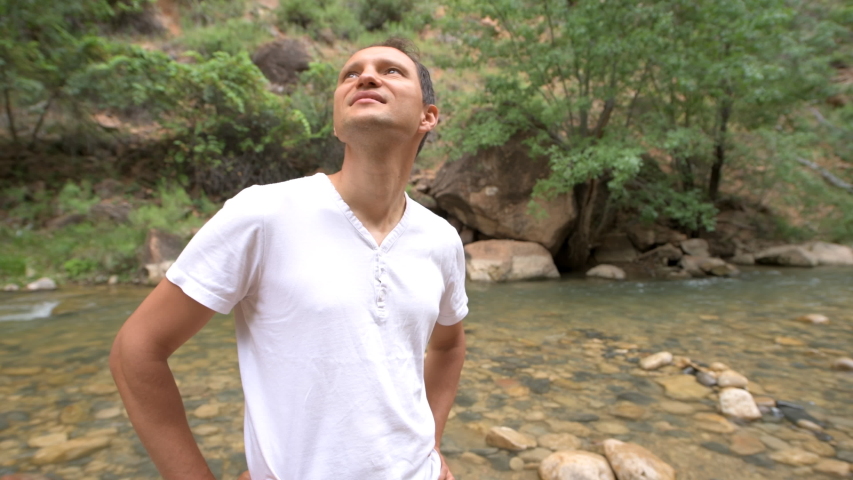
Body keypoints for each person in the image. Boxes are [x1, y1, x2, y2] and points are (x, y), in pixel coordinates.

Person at [109, 38, 468, 480]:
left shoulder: (441, 239)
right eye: (351, 74)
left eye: (392, 71)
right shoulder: (263, 214)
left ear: (427, 117)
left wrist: (429, 444)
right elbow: (137, 350)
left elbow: (448, 345)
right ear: (338, 122)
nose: (366, 76)